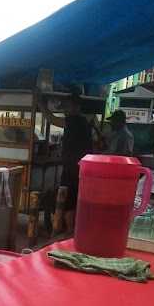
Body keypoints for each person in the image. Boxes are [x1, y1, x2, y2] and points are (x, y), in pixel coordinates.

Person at [41, 93, 93, 231]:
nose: (65, 109)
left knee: (69, 200)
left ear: (76, 107)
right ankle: (70, 231)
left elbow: (52, 120)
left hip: (73, 169)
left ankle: (68, 232)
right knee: (73, 199)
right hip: (80, 168)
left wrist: (41, 104)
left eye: (68, 106)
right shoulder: (83, 122)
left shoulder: (75, 120)